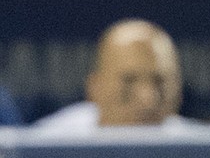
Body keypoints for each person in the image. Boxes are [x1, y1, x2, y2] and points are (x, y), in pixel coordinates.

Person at [34, 19, 193, 132]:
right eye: (129, 81)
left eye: (160, 82)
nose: (147, 99)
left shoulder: (205, 150)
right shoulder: (47, 147)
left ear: (179, 91)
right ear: (95, 88)